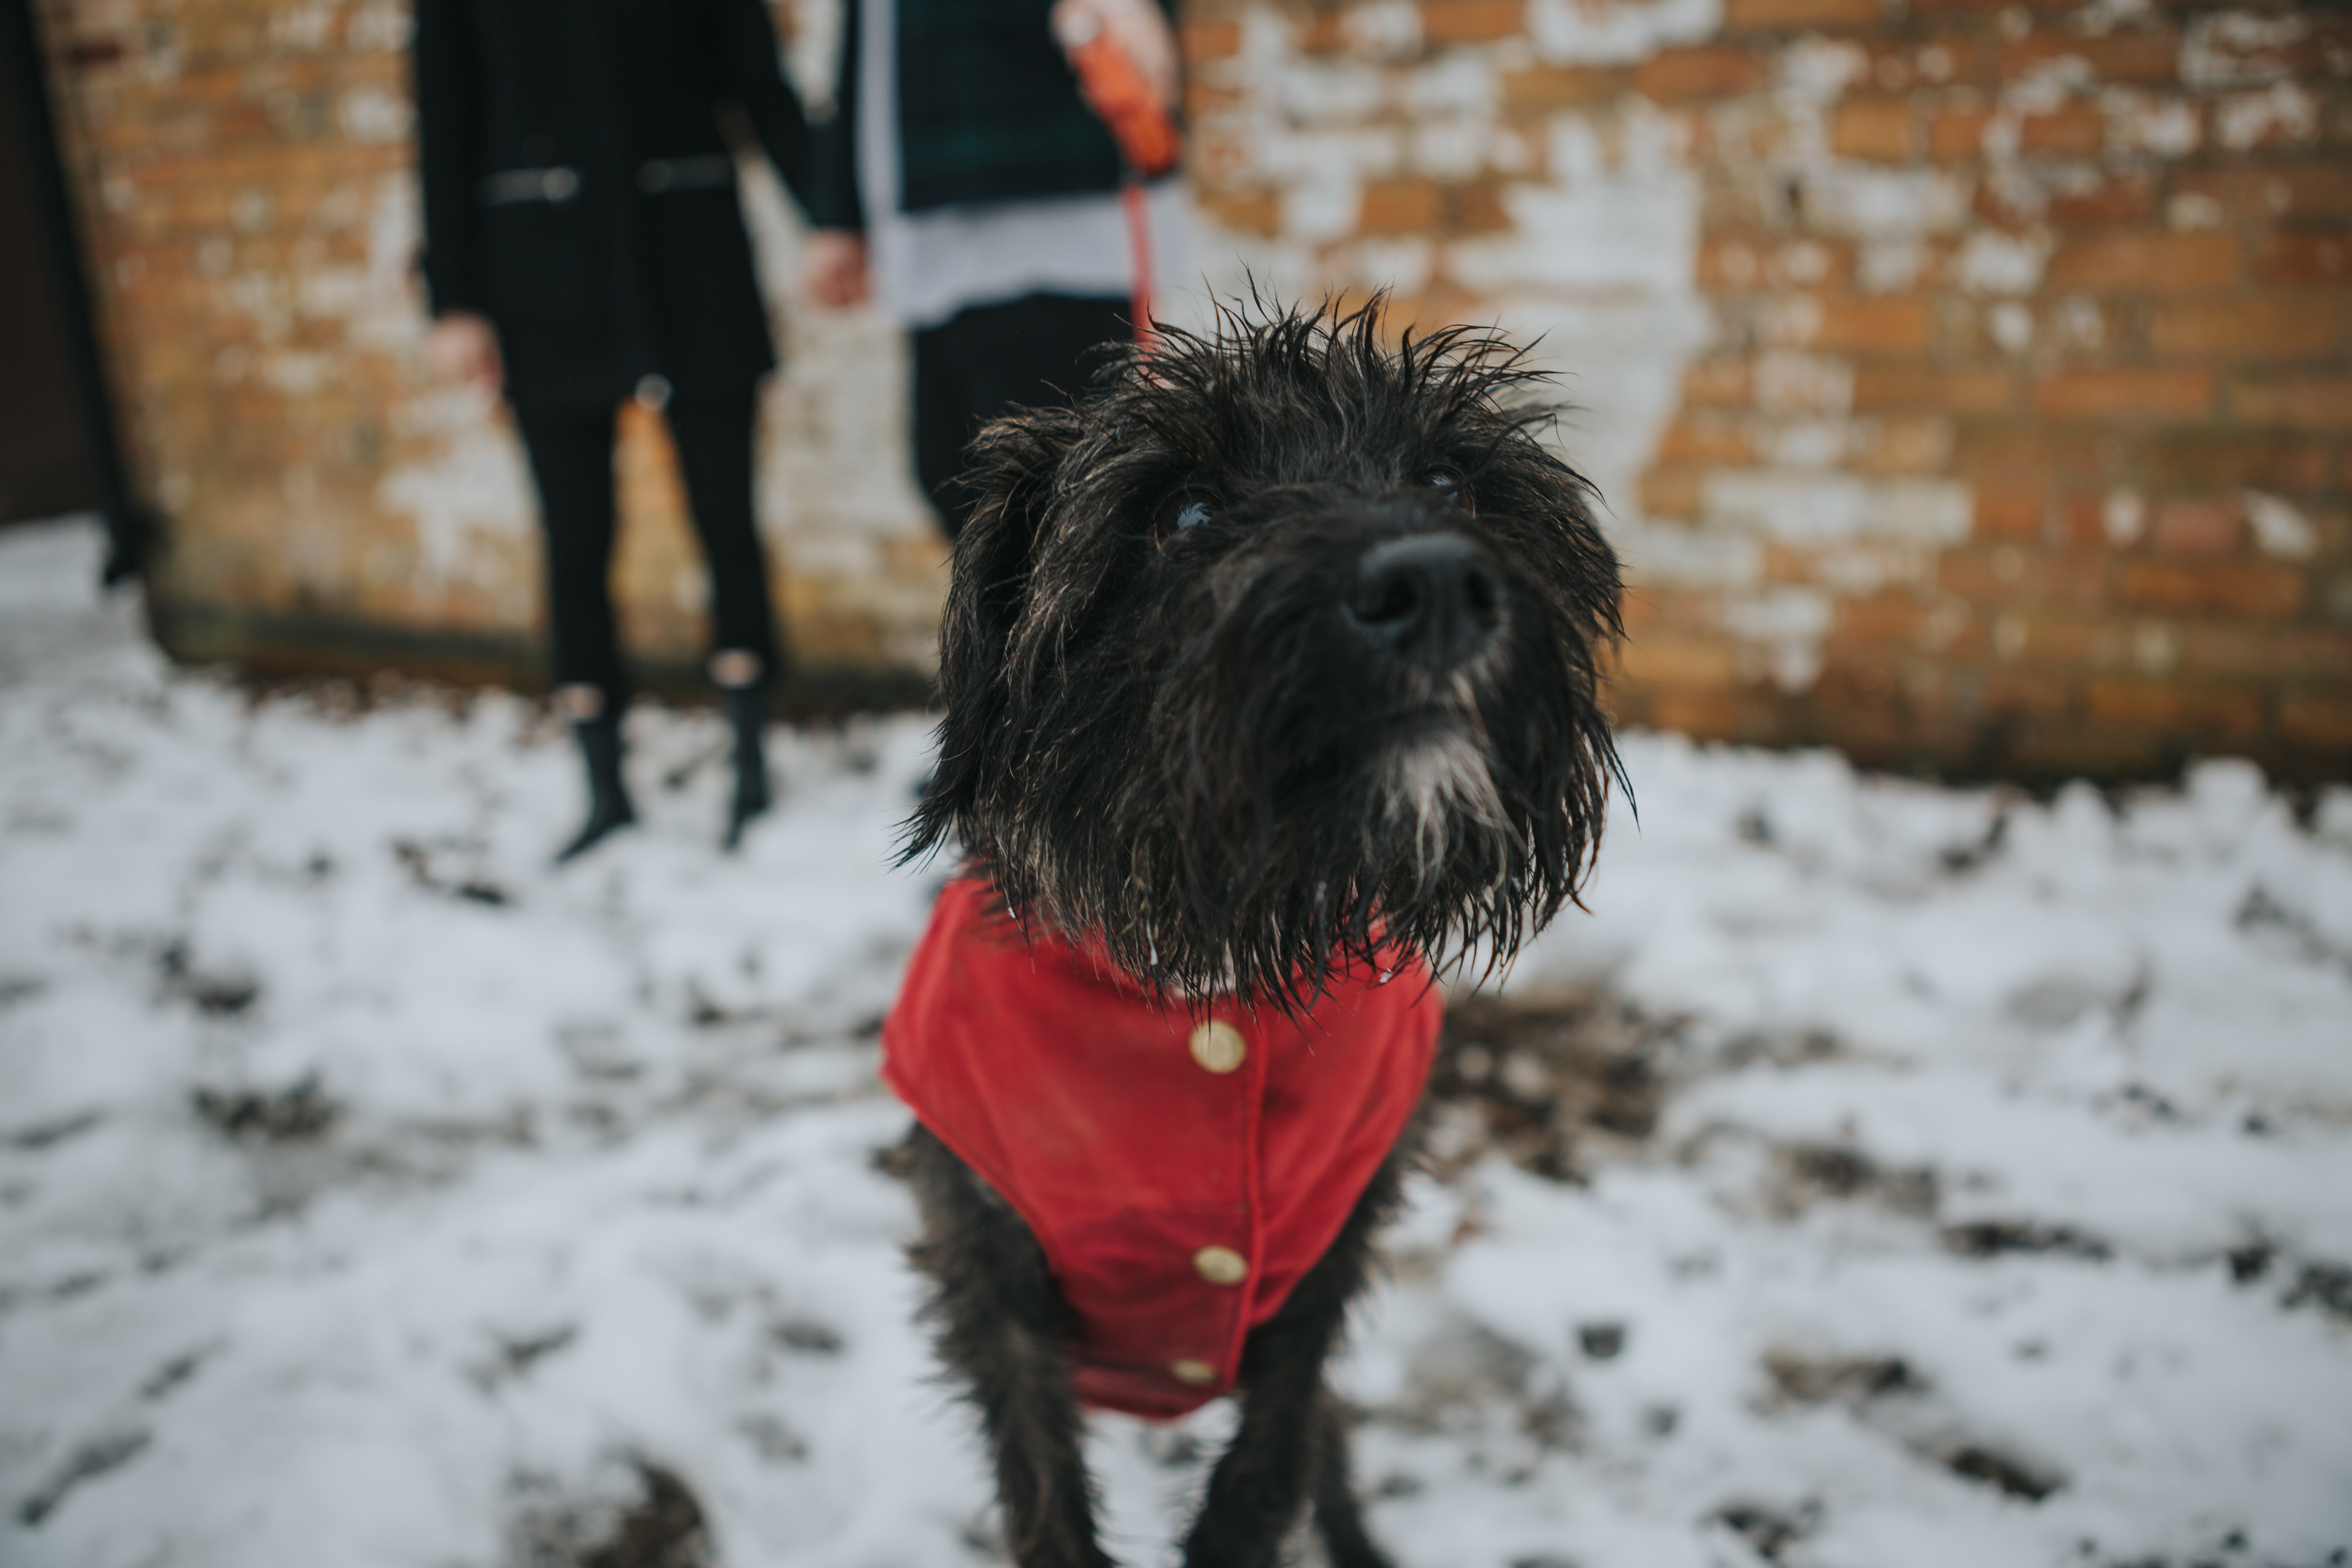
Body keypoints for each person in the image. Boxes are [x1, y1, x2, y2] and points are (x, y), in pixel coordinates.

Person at [413, 0, 853, 860]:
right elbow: (445, 118)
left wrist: (832, 217)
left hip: (691, 259)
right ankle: (603, 783)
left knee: (727, 520)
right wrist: (454, 298)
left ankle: (753, 761)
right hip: (540, 276)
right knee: (575, 540)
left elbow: (759, 88)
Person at [804, 0, 1185, 541]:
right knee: (956, 479)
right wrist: (840, 209)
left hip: (1041, 209)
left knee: (1042, 501)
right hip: (936, 213)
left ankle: (1063, 628)